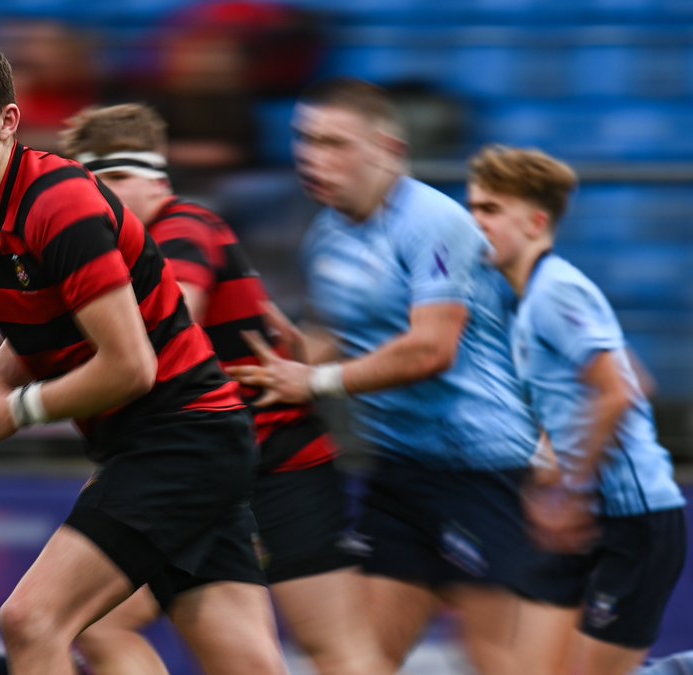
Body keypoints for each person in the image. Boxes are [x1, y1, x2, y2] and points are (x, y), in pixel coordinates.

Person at [0, 38, 288, 675]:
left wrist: (9, 415)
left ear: (7, 123)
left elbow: (129, 366)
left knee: (31, 622)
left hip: (180, 440)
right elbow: (36, 334)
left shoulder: (60, 204)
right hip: (182, 442)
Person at [58, 102, 391, 675]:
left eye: (116, 179)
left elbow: (169, 322)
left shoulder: (183, 225)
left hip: (281, 464)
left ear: (158, 178)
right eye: (90, 184)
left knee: (334, 648)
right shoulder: (131, 251)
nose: (101, 197)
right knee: (97, 626)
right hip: (198, 468)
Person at [229, 78, 536, 674]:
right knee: (363, 657)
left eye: (333, 143)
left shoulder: (435, 222)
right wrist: (273, 360)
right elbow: (332, 337)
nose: (312, 157)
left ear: (388, 150)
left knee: (500, 660)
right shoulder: (326, 237)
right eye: (303, 140)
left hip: (484, 471)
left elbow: (431, 349)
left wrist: (315, 383)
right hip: (399, 471)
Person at [467, 145, 687, 675]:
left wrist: (570, 489)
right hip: (584, 521)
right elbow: (637, 379)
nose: (475, 222)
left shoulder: (555, 292)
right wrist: (549, 463)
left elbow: (618, 392)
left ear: (537, 221)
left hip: (635, 523)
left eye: (491, 210)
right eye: (472, 208)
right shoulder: (529, 301)